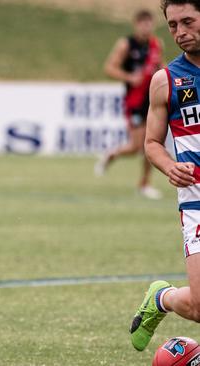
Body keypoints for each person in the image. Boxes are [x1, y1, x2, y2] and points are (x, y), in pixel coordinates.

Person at [130, 0, 200, 352]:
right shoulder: (166, 80)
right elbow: (152, 143)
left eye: (188, 21)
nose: (180, 32)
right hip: (197, 202)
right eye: (173, 25)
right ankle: (163, 297)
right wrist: (169, 166)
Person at [95, 9, 164, 200]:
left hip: (152, 99)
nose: (146, 27)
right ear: (136, 24)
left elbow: (161, 67)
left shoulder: (156, 45)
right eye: (142, 23)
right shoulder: (126, 44)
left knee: (152, 143)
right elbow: (109, 68)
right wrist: (129, 77)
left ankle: (144, 184)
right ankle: (112, 154)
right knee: (136, 146)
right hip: (133, 101)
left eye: (149, 23)